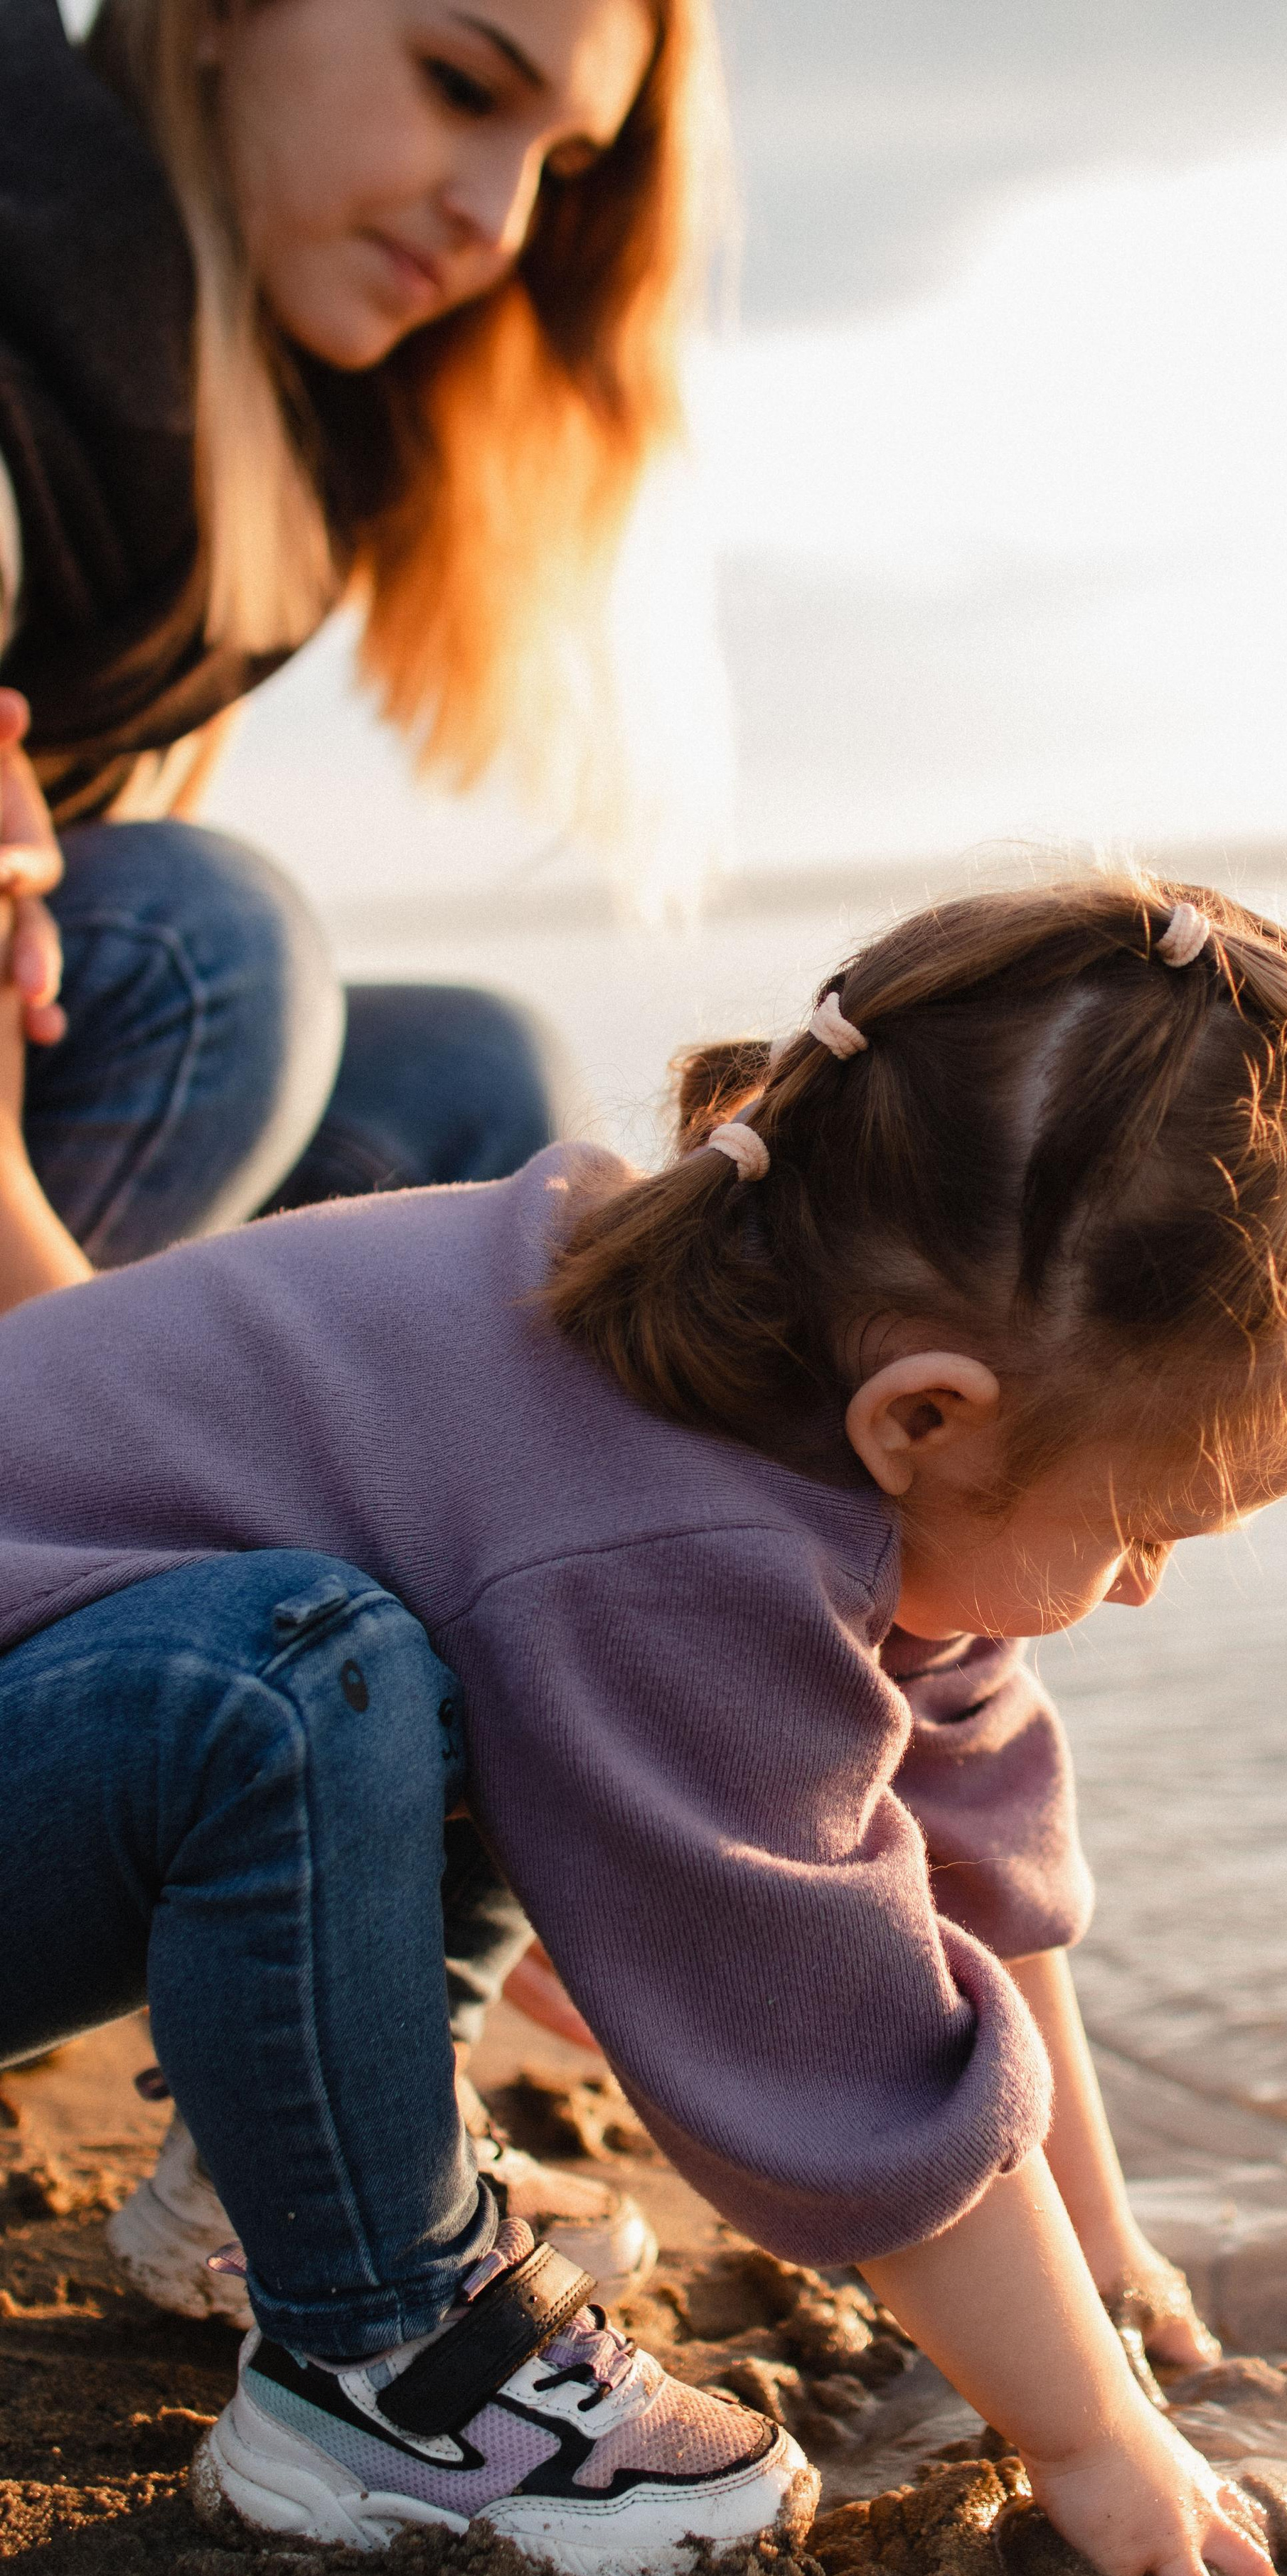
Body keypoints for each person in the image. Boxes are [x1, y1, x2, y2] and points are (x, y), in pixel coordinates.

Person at [0, 872, 1287, 2576]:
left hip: (66, 1738)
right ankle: (379, 2366)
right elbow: (840, 2046)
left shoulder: (772, 1362)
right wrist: (1088, 2441)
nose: (1138, 1590)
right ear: (926, 1414)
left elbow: (963, 1851)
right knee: (301, 1677)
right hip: (93, 1727)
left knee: (409, 1661)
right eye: (1144, 1529)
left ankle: (268, 2185)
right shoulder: (668, 1541)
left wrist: (1108, 2266)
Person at [0, 0, 720, 2285]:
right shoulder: (44, 269)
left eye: (562, 161)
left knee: (479, 1127)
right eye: (456, 79)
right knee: (213, 950)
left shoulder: (268, 426)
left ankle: (311, 2109)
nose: (497, 218)